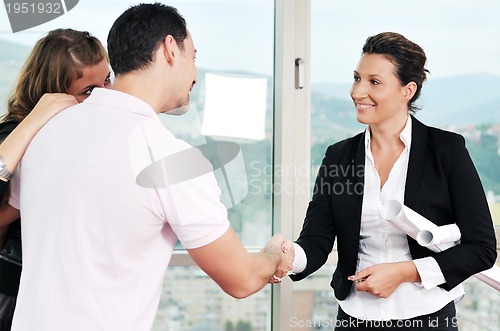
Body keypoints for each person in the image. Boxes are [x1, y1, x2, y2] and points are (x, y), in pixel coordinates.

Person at [7, 4, 294, 331]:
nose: (195, 76)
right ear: (171, 49)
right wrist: (274, 255)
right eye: (194, 57)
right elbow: (240, 279)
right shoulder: (170, 158)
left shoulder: (46, 131)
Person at [287, 32, 497, 330]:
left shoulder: (446, 151)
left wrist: (406, 271)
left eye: (374, 82)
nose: (358, 91)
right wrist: (286, 257)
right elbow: (317, 241)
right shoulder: (339, 156)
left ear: (407, 90)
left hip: (429, 317)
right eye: (357, 78)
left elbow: (482, 247)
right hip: (355, 319)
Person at [0, 28, 111, 330]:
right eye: (89, 90)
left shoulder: (87, 135)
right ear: (53, 92)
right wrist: (37, 117)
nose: (106, 95)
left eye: (108, 80)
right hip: (14, 300)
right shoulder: (14, 134)